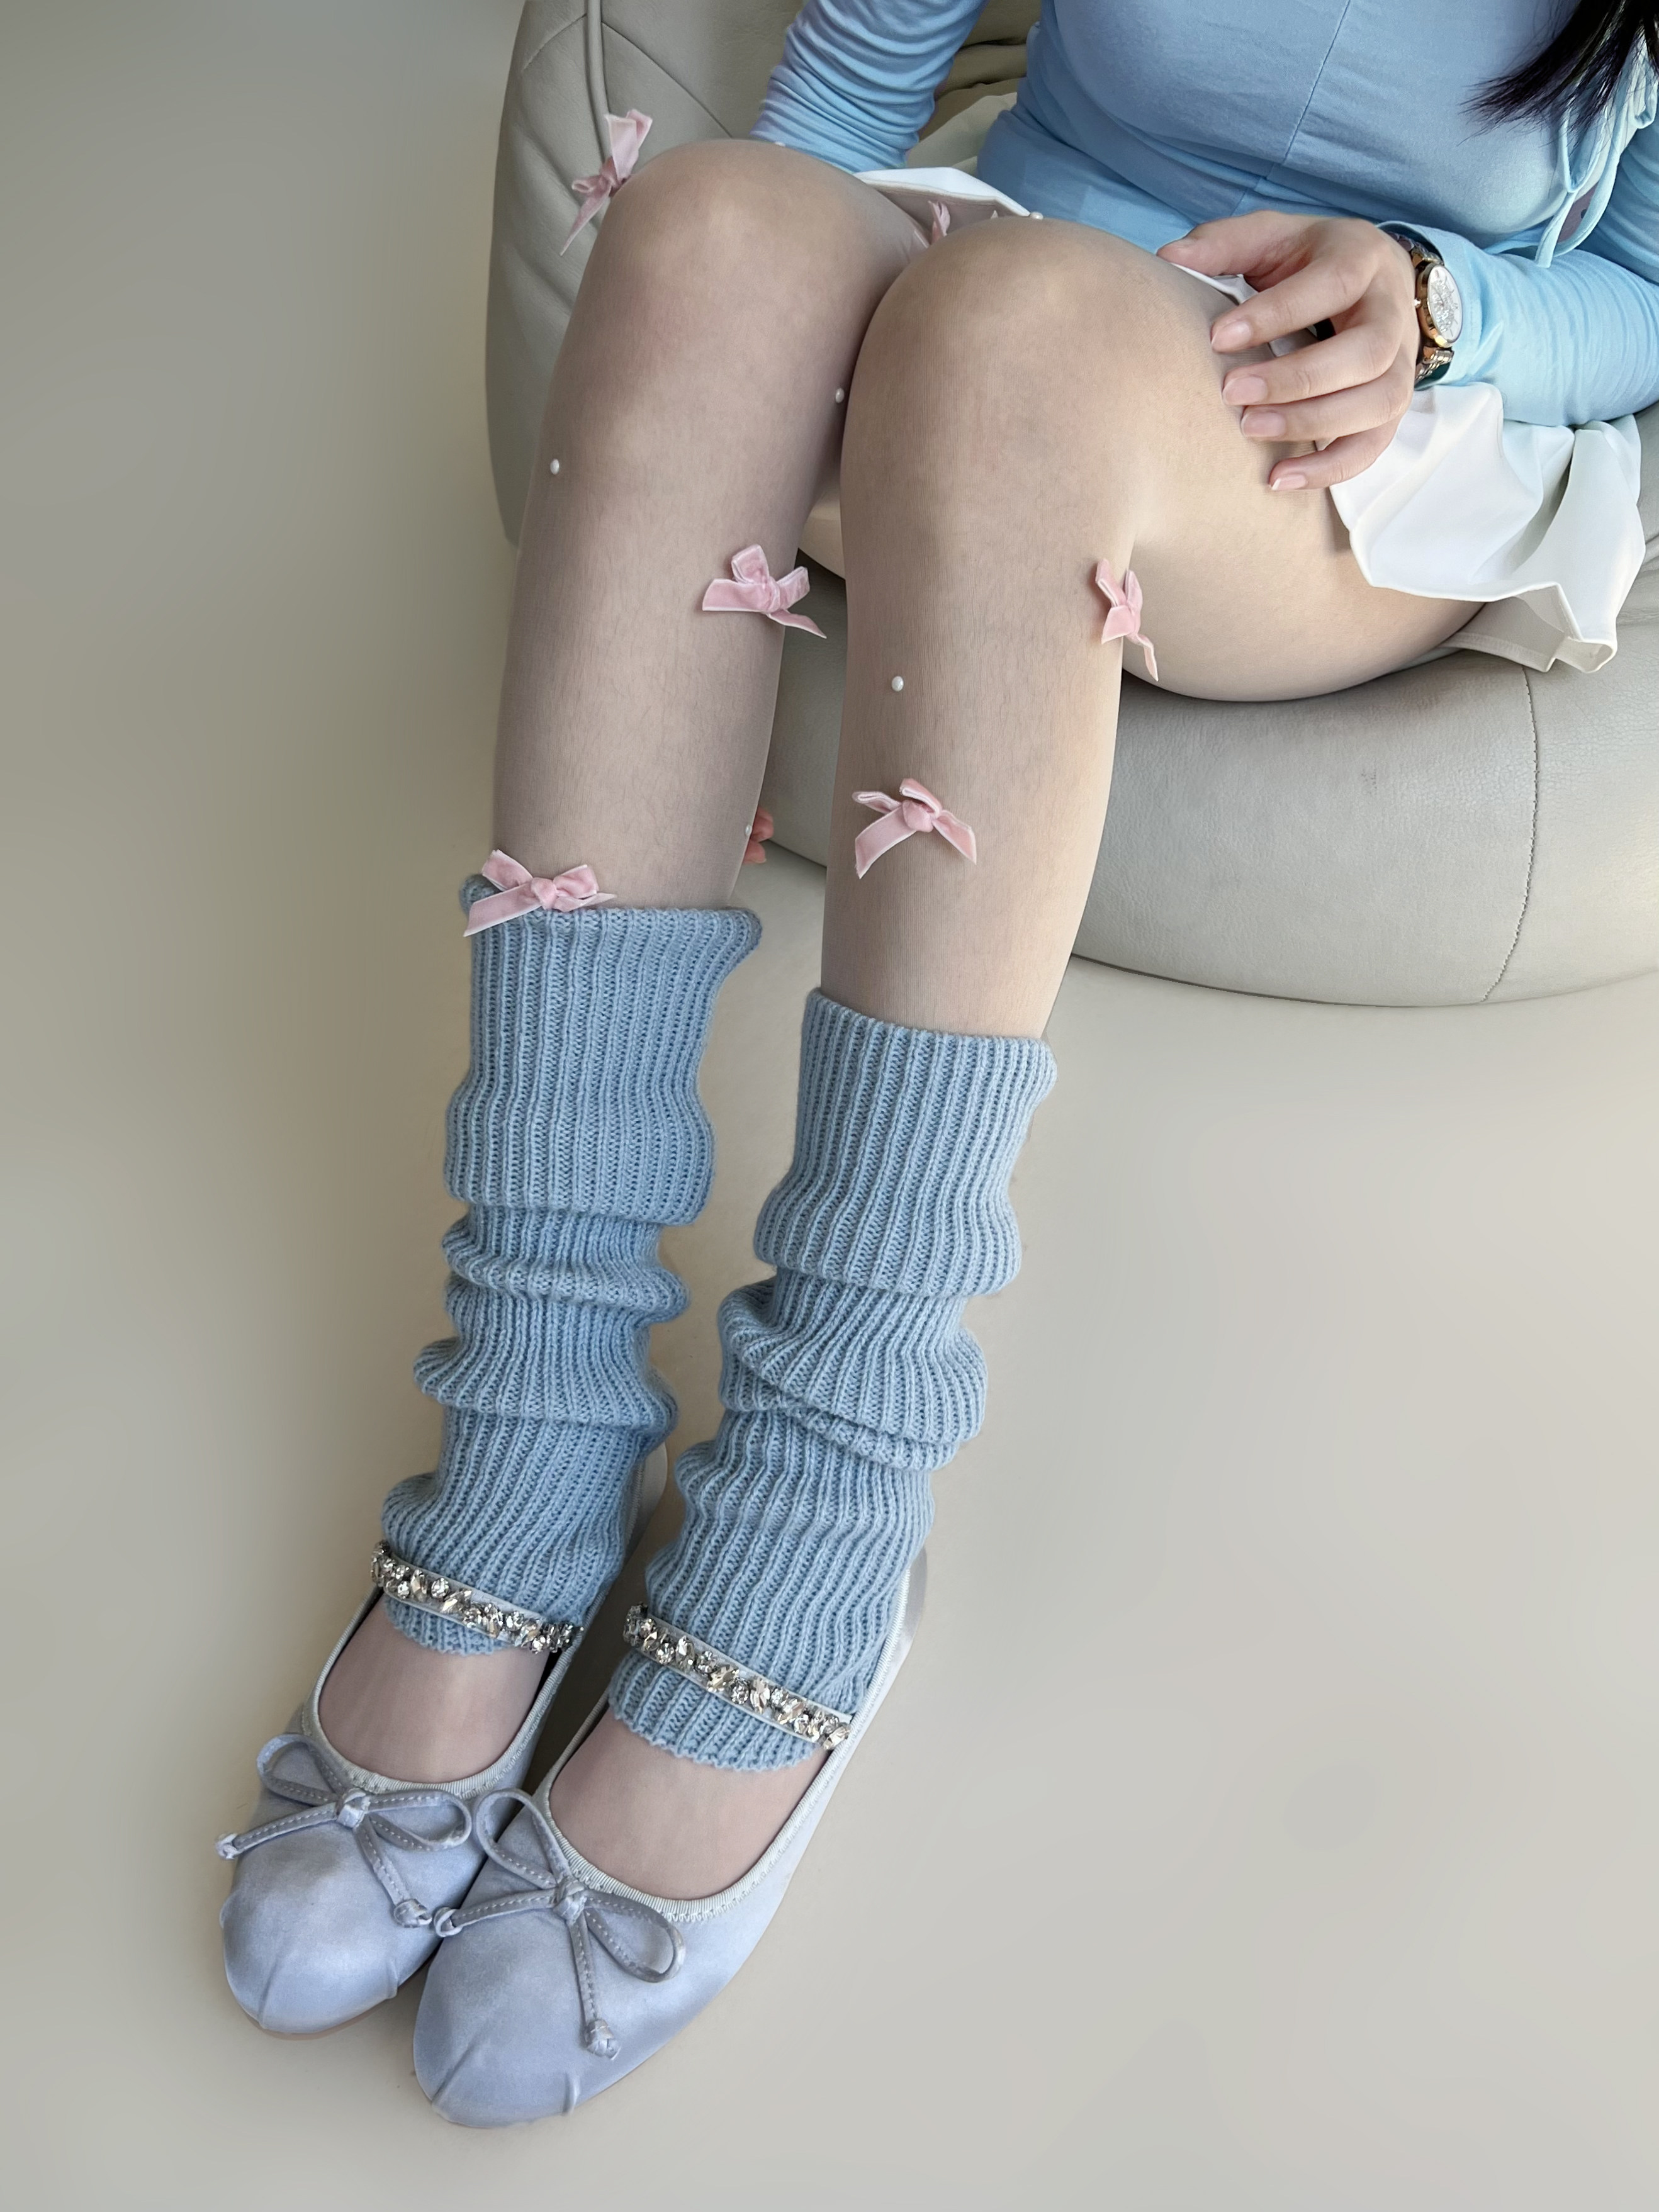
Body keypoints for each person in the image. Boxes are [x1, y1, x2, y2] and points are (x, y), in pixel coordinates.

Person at [216, 0, 1658, 2123]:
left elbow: (1639, 294)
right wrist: (755, 346)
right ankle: (531, 1413)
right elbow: (842, 106)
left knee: (1023, 337)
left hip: (1347, 436)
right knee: (714, 231)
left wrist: (1443, 309)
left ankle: (821, 1506)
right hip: (997, 276)